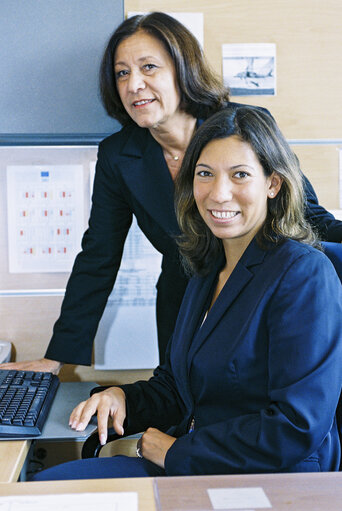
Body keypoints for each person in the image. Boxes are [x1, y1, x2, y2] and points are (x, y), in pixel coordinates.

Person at [1, 12, 341, 373]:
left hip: (263, 289)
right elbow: (98, 257)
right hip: (185, 297)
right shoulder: (119, 156)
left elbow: (310, 218)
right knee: (178, 406)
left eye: (149, 67)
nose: (134, 84)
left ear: (183, 70)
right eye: (122, 73)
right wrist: (58, 357)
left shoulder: (243, 126)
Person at [33, 106, 342, 481]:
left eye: (240, 175)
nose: (218, 193)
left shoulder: (303, 273)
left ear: (273, 184)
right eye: (205, 175)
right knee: (46, 488)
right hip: (196, 465)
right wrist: (122, 398)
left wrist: (181, 452)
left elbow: (296, 425)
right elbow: (179, 385)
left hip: (265, 478)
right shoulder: (206, 267)